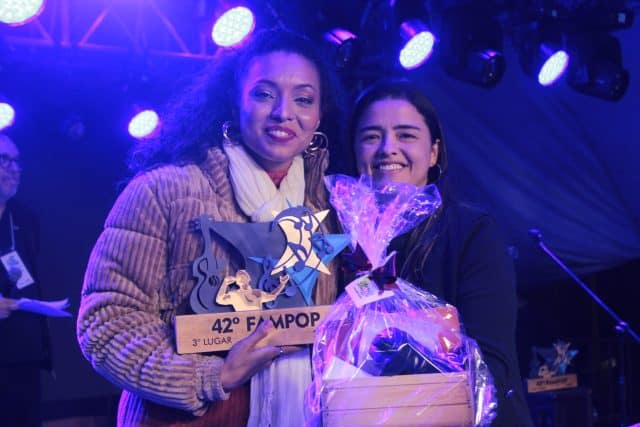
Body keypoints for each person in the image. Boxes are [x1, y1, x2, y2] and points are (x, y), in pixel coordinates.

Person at [77, 29, 343, 427]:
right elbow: (105, 321)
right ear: (234, 101)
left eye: (303, 99)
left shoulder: (330, 206)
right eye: (264, 94)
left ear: (319, 115)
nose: (283, 112)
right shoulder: (164, 191)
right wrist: (211, 377)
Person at [348, 79, 534, 426]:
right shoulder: (342, 241)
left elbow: (491, 364)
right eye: (371, 136)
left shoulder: (472, 232)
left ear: (433, 152)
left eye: (406, 135)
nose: (388, 148)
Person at [0, 133, 51, 427]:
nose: (13, 169)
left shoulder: (25, 217)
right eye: (4, 160)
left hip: (23, 355)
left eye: (16, 161)